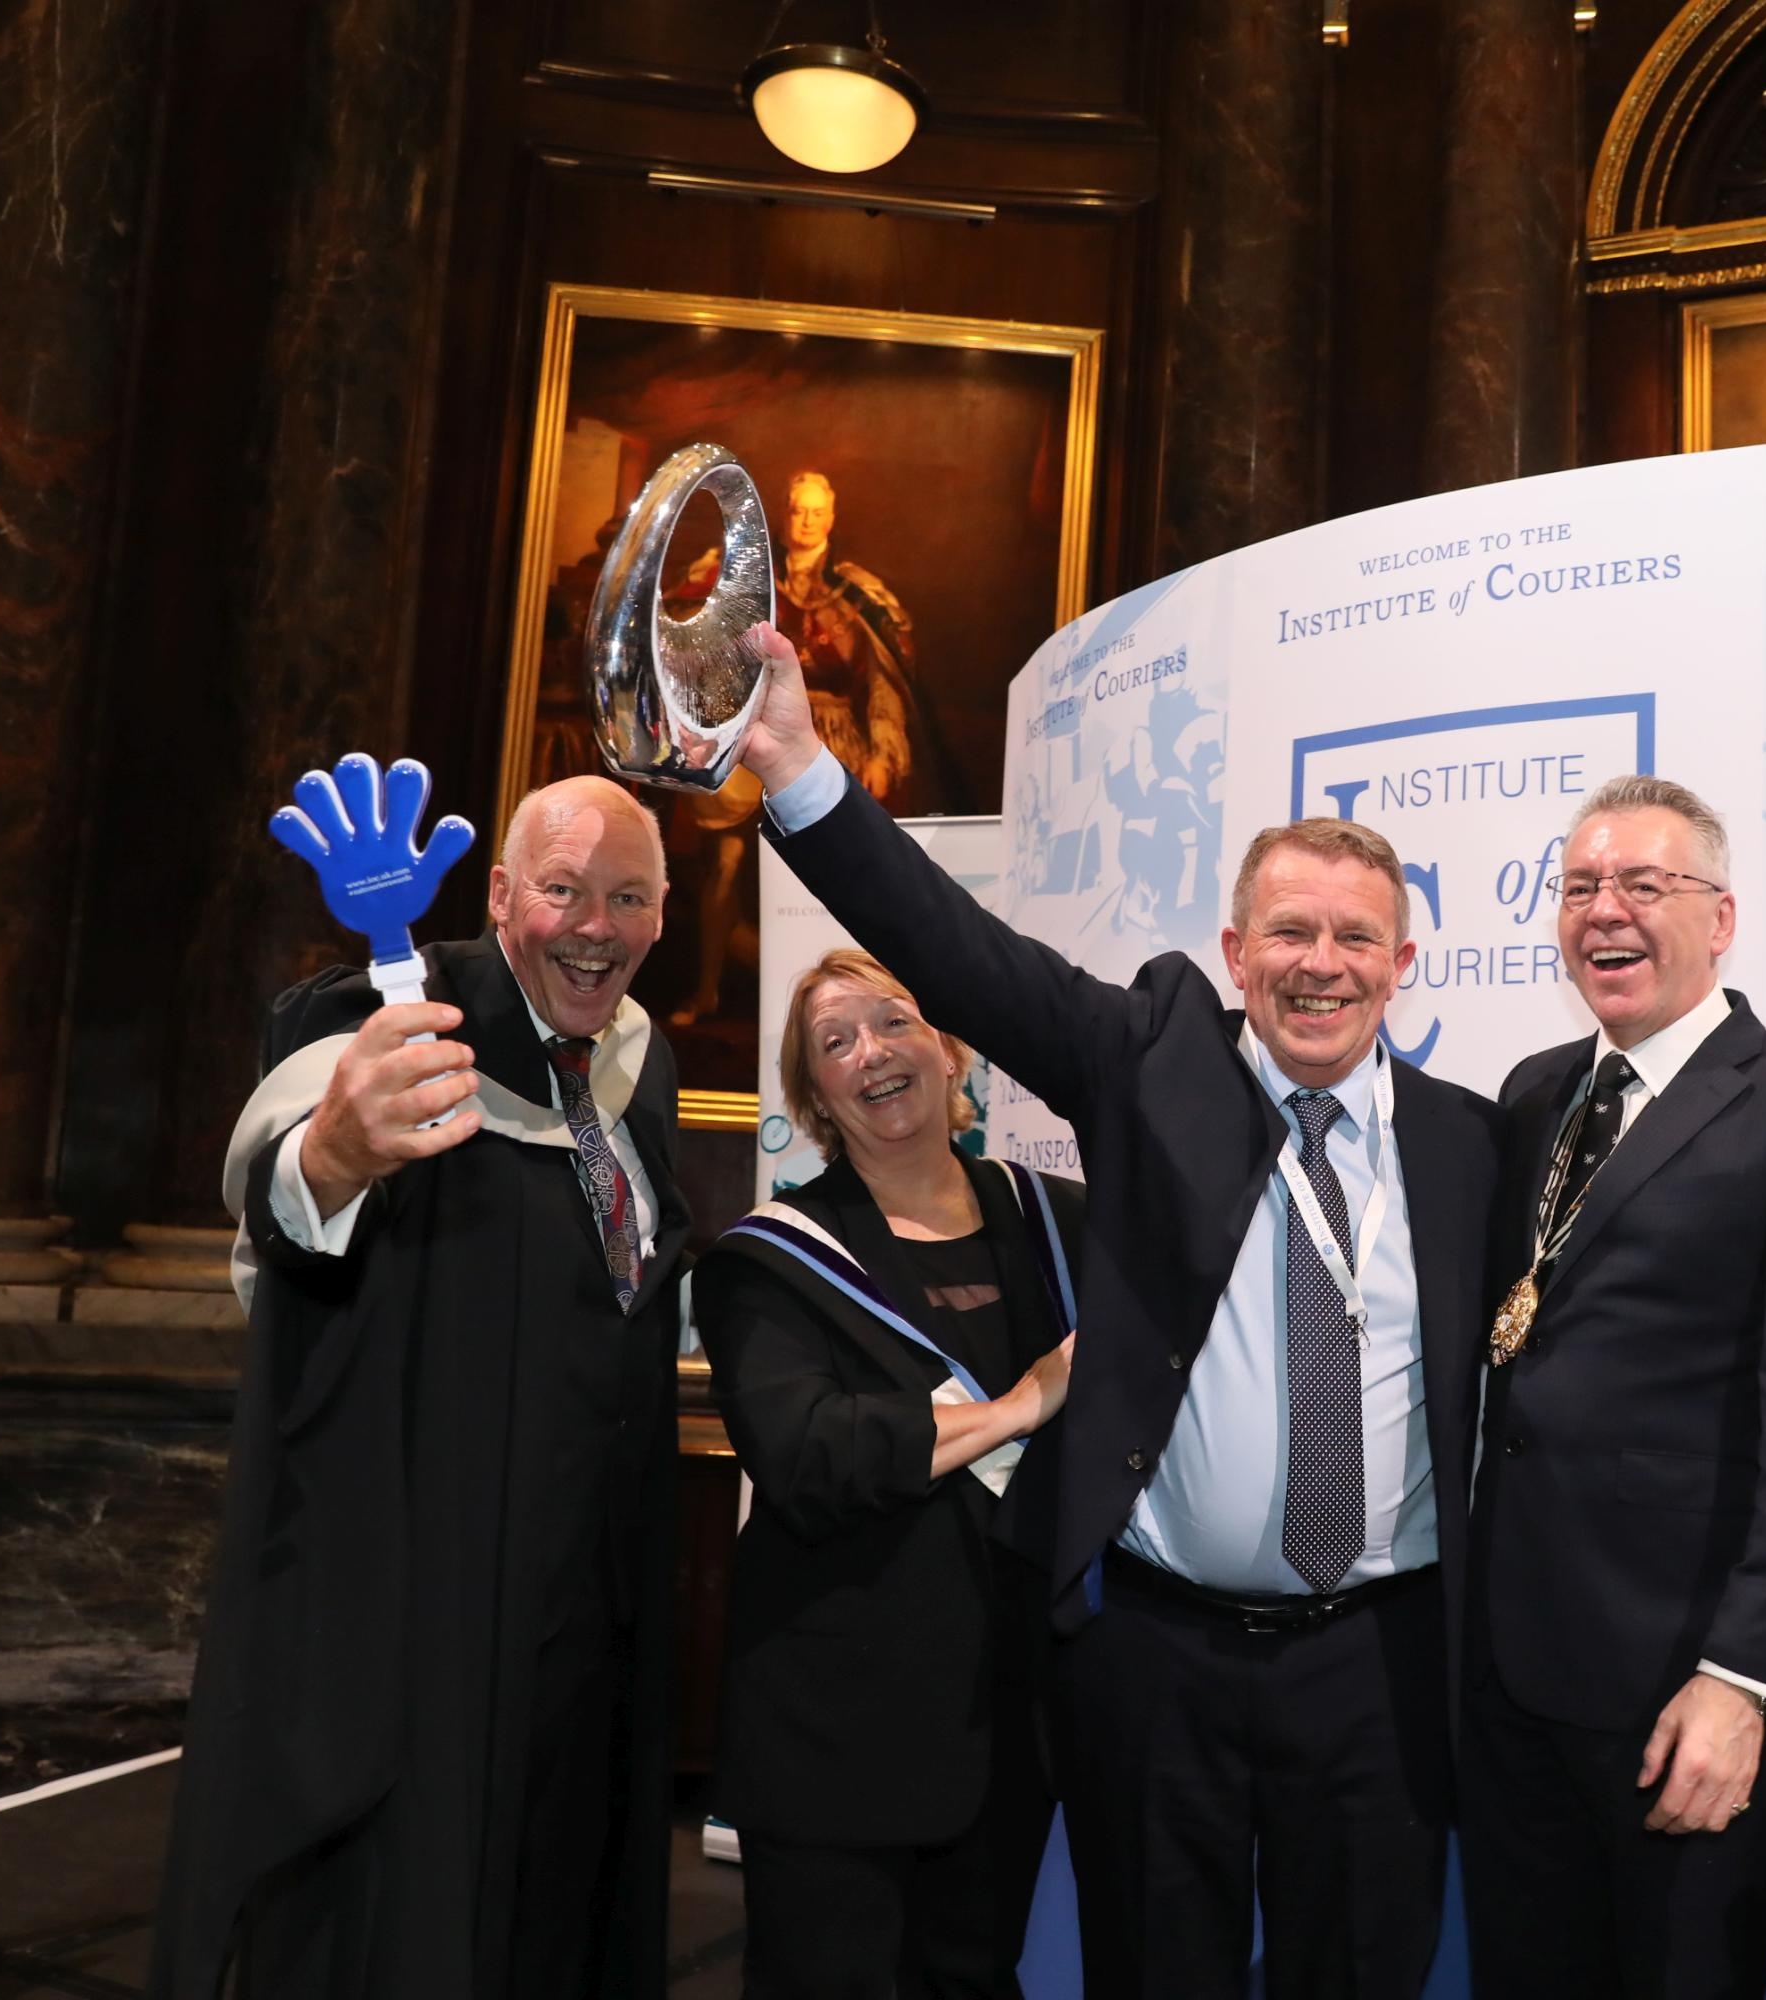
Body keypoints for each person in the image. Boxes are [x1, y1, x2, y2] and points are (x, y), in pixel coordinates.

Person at [728, 619, 1503, 1999]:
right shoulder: (1153, 1064)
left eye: (1355, 937)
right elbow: (951, 947)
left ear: (1403, 962)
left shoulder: (1473, 1142)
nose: (1321, 962)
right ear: (1236, 951)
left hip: (1381, 1668)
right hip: (1161, 1662)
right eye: (1290, 932)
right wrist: (795, 763)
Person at [151, 775, 689, 2000]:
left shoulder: (641, 1064)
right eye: (563, 890)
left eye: (629, 898)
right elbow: (290, 1200)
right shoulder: (382, 1019)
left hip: (587, 1590)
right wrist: (336, 1151)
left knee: (560, 1898)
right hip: (421, 1590)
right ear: (500, 894)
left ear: (663, 916)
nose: (595, 926)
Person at [1463, 774, 1766, 2000]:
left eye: (1644, 884)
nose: (1605, 909)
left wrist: (1746, 1678)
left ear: (1720, 918)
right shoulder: (1534, 1091)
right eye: (1580, 887)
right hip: (1510, 1678)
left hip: (1685, 1688)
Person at [694, 949, 1085, 1998]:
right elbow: (809, 1455)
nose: (872, 1051)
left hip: (1019, 1731)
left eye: (895, 1020)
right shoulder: (764, 1263)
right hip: (838, 1740)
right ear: (815, 1096)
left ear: (950, 1046)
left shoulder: (1067, 1221)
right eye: (836, 1042)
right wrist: (1020, 1405)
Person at [775, 469, 960, 812]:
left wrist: (882, 756)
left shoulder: (859, 593)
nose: (808, 522)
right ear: (786, 516)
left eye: (817, 513)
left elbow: (883, 684)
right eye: (799, 511)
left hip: (837, 743)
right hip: (769, 740)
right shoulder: (758, 584)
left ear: (830, 519)